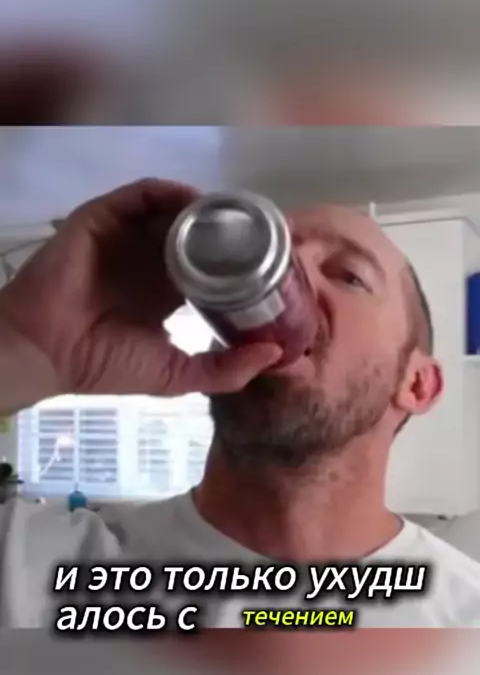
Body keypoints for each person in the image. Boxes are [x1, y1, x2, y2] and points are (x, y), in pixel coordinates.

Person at [1, 177, 480, 629]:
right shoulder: (36, 573)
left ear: (418, 385)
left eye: (349, 275)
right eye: (279, 259)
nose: (292, 281)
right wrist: (25, 347)